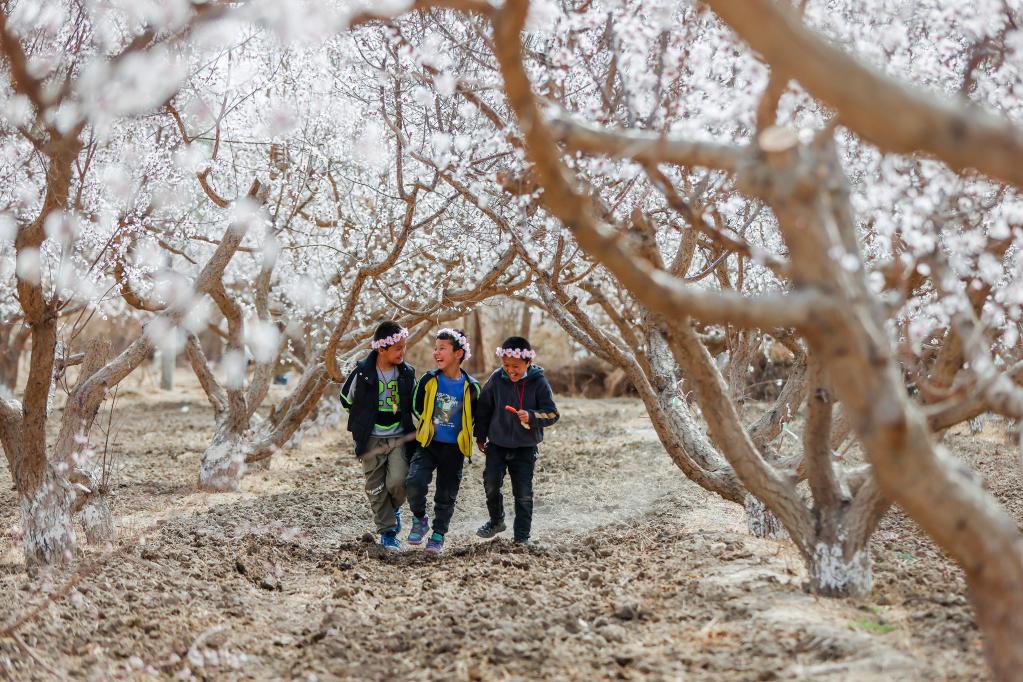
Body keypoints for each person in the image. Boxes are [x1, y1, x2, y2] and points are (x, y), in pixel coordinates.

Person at [474, 336, 559, 546]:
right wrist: (480, 434)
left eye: (516, 366)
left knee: (523, 494)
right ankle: (496, 521)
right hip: (497, 445)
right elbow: (484, 407)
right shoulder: (496, 379)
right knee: (491, 484)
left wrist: (531, 416)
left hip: (525, 449)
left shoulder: (539, 382)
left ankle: (522, 537)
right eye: (506, 365)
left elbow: (552, 414)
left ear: (528, 363)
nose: (510, 370)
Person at [339, 321, 416, 551]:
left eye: (404, 347)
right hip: (370, 439)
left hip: (398, 437)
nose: (403, 352)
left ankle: (393, 510)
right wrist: (362, 418)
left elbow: (414, 402)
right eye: (398, 348)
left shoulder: (406, 373)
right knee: (375, 488)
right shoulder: (362, 372)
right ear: (381, 349)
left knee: (398, 482)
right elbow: (346, 399)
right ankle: (388, 532)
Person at [405, 328, 481, 554]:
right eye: (435, 348)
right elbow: (417, 406)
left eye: (442, 349)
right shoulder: (429, 380)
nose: (436, 353)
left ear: (458, 353)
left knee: (446, 493)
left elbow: (477, 416)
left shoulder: (471, 386)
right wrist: (426, 425)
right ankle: (420, 519)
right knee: (414, 482)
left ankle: (438, 534)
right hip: (428, 444)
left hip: (454, 449)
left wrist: (473, 436)